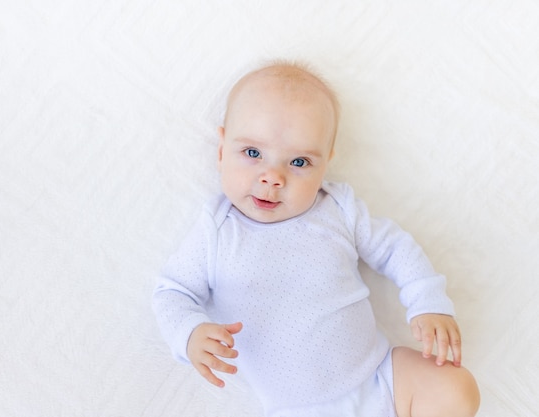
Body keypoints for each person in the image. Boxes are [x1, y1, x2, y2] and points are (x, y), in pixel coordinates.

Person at [152, 61, 480, 417]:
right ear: (220, 151)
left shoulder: (337, 209)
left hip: (381, 376)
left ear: (325, 165)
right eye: (252, 153)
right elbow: (173, 292)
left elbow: (394, 248)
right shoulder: (216, 231)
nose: (272, 177)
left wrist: (427, 301)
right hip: (296, 408)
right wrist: (189, 333)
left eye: (299, 162)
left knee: (456, 389)